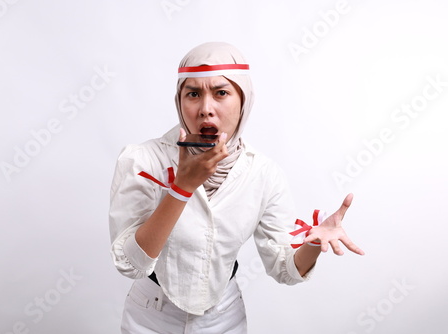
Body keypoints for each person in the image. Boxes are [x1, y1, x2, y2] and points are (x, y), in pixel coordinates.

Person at [109, 42, 364, 333]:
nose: (206, 109)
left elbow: (283, 267)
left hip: (224, 318)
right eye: (193, 93)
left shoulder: (263, 174)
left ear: (244, 101)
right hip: (150, 317)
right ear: (179, 101)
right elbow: (130, 265)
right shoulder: (141, 160)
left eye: (221, 93)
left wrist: (313, 244)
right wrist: (182, 187)